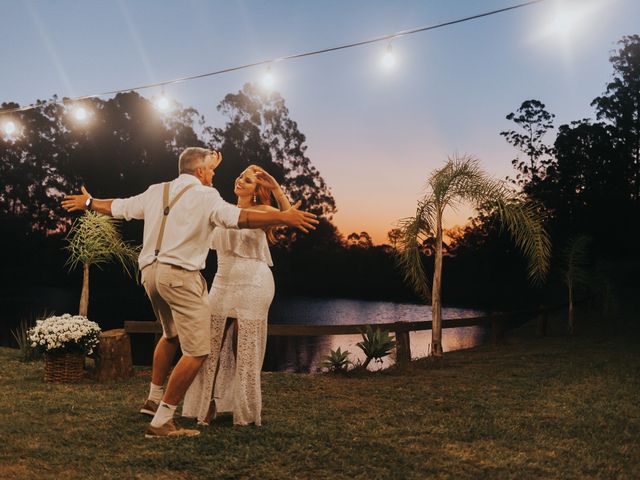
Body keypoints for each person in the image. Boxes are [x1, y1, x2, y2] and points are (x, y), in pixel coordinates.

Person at [61, 147, 317, 438]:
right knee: (198, 351)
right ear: (199, 172)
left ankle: (154, 398)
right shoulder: (208, 198)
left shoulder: (159, 190)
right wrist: (284, 218)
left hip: (151, 275)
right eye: (211, 170)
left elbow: (120, 206)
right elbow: (241, 218)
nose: (214, 175)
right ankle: (162, 421)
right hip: (181, 278)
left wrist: (90, 201)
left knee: (171, 335)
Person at [182, 165, 289, 426]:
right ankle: (207, 404)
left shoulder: (264, 211)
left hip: (254, 281)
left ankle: (245, 410)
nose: (241, 180)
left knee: (242, 344)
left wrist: (275, 188)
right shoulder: (223, 210)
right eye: (240, 176)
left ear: (256, 191)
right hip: (222, 280)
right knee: (210, 343)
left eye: (248, 180)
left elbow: (290, 216)